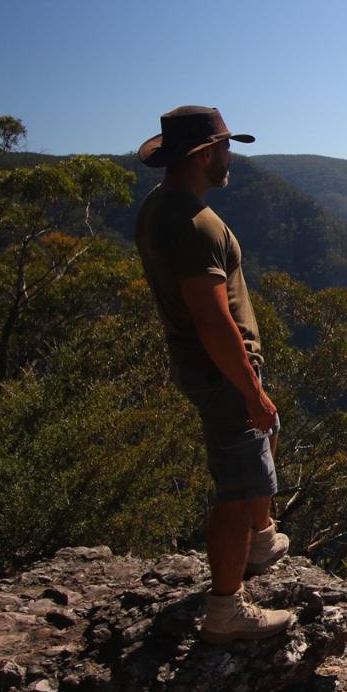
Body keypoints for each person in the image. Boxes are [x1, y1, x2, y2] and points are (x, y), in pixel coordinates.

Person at [134, 106, 291, 643]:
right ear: (203, 155)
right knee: (237, 484)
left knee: (251, 463)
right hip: (220, 369)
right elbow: (212, 317)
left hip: (203, 365)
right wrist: (252, 388)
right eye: (224, 148)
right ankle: (226, 610)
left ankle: (264, 537)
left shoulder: (158, 207)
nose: (230, 157)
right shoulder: (196, 224)